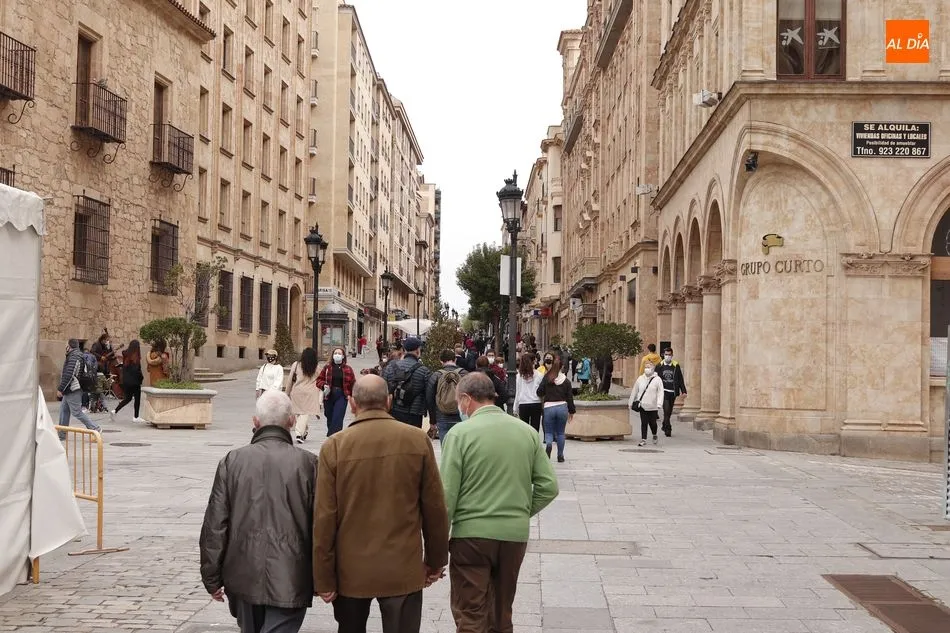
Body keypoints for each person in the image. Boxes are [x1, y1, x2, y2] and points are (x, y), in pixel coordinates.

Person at [313, 375, 449, 633]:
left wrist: (323, 577)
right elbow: (434, 507)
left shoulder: (334, 447)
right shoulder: (416, 440)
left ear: (352, 404)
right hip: (402, 566)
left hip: (350, 569)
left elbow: (324, 518)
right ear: (388, 402)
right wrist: (435, 560)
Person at [440, 373, 559, 633]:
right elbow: (549, 486)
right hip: (513, 535)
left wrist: (436, 549)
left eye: (459, 402)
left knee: (470, 612)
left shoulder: (459, 434)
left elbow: (447, 494)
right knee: (501, 611)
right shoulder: (526, 432)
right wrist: (520, 511)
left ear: (466, 399)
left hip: (470, 536)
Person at [199, 390, 318, 633]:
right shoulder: (308, 464)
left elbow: (215, 525)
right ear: (292, 420)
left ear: (255, 421)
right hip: (292, 574)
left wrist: (211, 577)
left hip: (243, 573)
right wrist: (324, 578)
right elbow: (322, 526)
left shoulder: (233, 461)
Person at [381, 337, 431, 428]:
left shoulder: (390, 367)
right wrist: (432, 419)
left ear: (404, 350)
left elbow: (382, 389)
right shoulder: (424, 371)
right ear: (417, 351)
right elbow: (429, 395)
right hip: (414, 413)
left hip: (393, 411)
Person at [57, 339, 101, 440]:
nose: (65, 347)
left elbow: (69, 374)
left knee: (76, 412)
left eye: (66, 345)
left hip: (73, 388)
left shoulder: (74, 356)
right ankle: (62, 434)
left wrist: (61, 389)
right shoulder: (75, 355)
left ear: (69, 346)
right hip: (70, 388)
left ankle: (95, 428)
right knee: (64, 410)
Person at [536, 355, 575, 462]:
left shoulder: (546, 378)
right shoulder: (566, 381)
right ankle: (560, 455)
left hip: (549, 407)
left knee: (548, 432)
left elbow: (539, 392)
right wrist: (571, 411)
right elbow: (569, 397)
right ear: (561, 368)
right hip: (562, 407)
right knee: (561, 433)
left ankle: (549, 444)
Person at [426, 349, 467, 441]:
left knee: (445, 446)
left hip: (442, 416)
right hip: (461, 416)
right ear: (455, 360)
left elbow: (429, 398)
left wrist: (432, 420)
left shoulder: (436, 375)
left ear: (441, 361)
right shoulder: (464, 374)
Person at [285, 347, 322, 443]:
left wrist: (287, 393)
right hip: (311, 393)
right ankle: (301, 432)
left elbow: (290, 380)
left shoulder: (296, 365)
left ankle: (299, 433)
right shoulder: (317, 367)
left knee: (299, 413)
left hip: (297, 392)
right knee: (304, 413)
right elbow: (321, 380)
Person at [315, 347, 355, 437]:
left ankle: (333, 436)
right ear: (332, 355)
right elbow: (318, 380)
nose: (337, 355)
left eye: (339, 353)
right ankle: (334, 435)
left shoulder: (348, 369)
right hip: (329, 395)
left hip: (342, 395)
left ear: (343, 356)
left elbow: (353, 383)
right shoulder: (327, 368)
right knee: (329, 416)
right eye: (335, 353)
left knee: (338, 416)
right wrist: (323, 385)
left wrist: (353, 396)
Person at [630, 361, 665, 447]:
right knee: (644, 422)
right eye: (646, 367)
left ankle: (654, 434)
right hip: (642, 405)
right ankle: (643, 439)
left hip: (653, 406)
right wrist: (631, 402)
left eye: (649, 367)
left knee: (653, 423)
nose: (647, 369)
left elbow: (661, 392)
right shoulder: (640, 379)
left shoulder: (657, 379)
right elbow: (635, 390)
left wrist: (659, 403)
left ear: (653, 369)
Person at [110, 339, 145, 423]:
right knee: (137, 399)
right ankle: (136, 417)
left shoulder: (126, 355)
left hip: (126, 381)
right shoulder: (135, 357)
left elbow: (125, 367)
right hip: (135, 382)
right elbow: (137, 371)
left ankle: (115, 411)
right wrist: (141, 378)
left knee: (128, 398)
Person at [656, 347, 687, 437]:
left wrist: (683, 390)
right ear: (663, 355)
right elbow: (655, 378)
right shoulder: (660, 365)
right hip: (663, 391)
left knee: (669, 411)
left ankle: (664, 424)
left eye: (669, 354)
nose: (667, 356)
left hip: (673, 392)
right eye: (666, 354)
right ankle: (668, 428)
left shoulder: (675, 365)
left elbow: (680, 379)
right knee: (666, 409)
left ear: (672, 355)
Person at [513, 352, 543, 432]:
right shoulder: (539, 375)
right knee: (535, 428)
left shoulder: (519, 376)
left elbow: (518, 392)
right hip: (536, 403)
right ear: (533, 361)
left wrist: (515, 407)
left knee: (524, 429)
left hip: (523, 403)